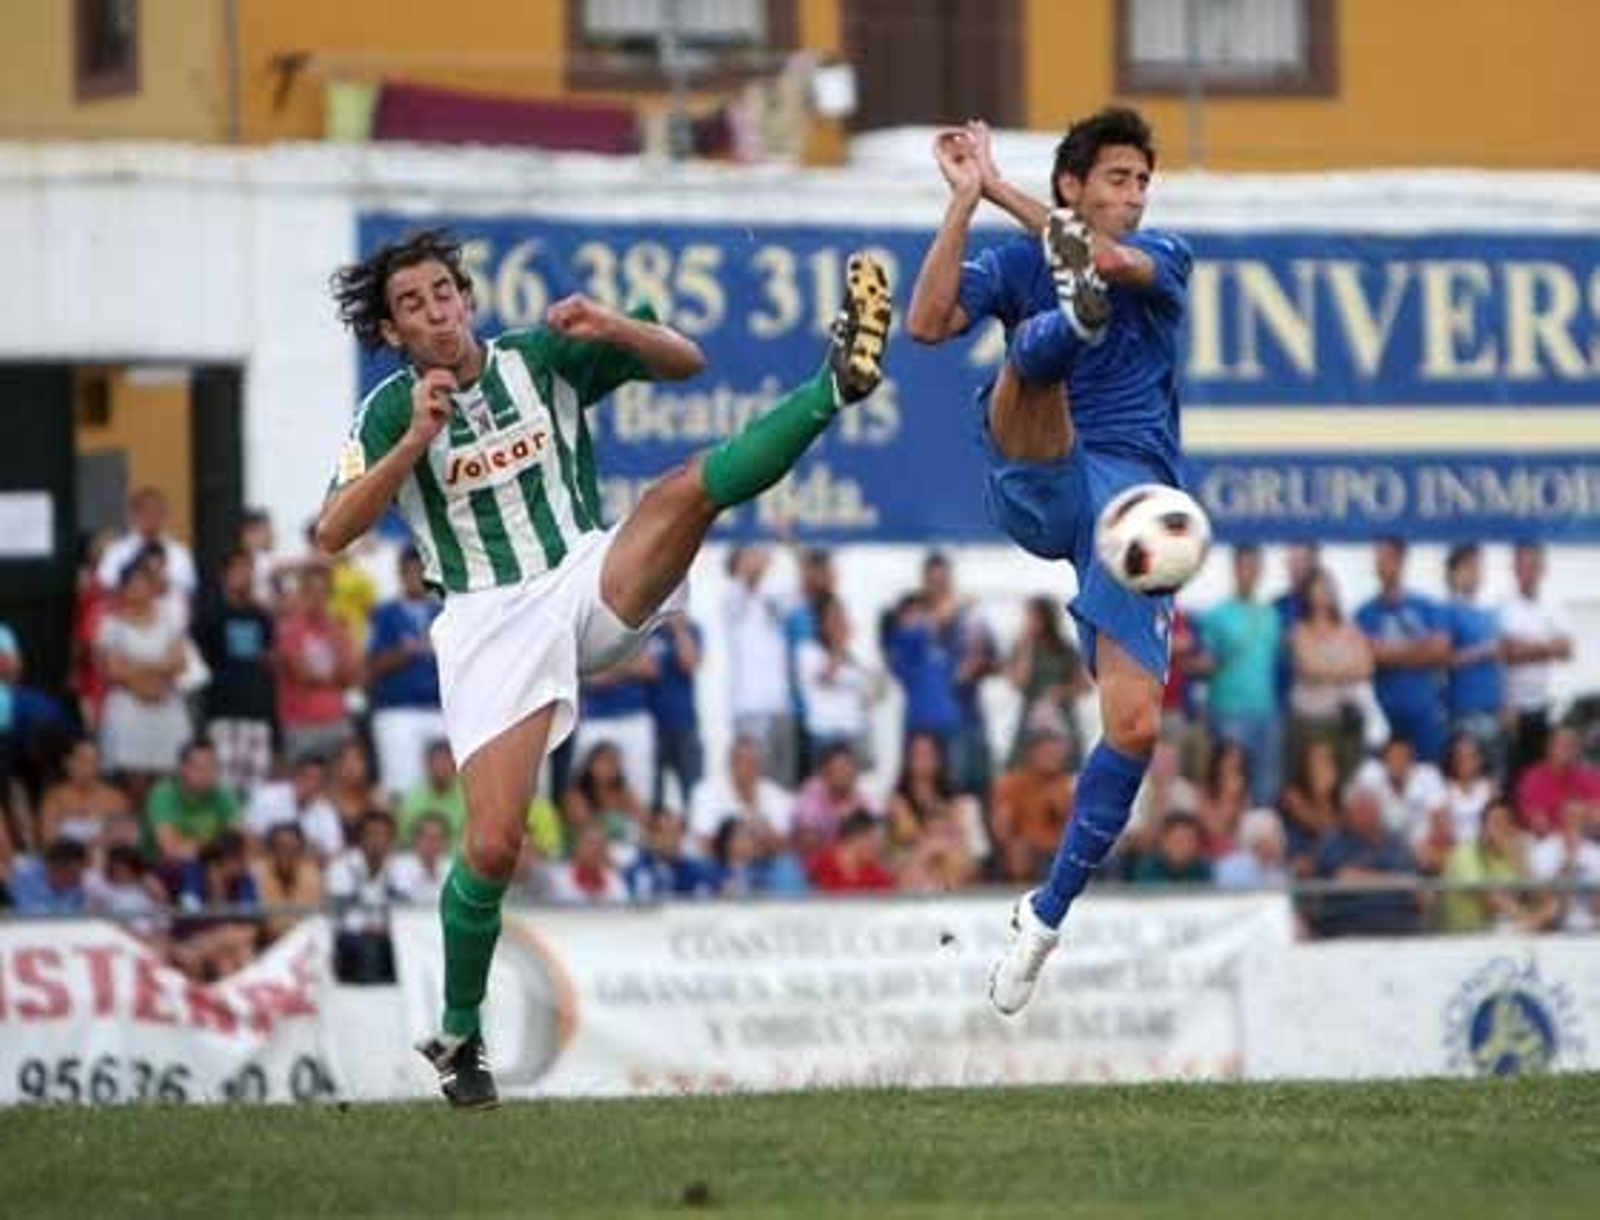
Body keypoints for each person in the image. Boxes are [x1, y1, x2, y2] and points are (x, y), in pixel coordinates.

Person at [316, 226, 890, 1107]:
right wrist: (409, 448)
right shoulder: (393, 410)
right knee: (496, 842)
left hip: (583, 577)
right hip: (486, 625)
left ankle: (831, 383)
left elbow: (686, 361)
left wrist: (613, 323)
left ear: (465, 299)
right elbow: (331, 533)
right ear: (392, 332)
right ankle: (460, 1034)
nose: (434, 314)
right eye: (412, 307)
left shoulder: (538, 355)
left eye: (443, 294)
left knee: (683, 491)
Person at [907, 107, 1192, 1013]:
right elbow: (924, 321)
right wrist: (962, 202)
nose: (1136, 196)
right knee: (1032, 367)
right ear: (1073, 185)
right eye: (1118, 179)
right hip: (1043, 466)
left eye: (1142, 181)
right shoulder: (1021, 257)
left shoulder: (1170, 259)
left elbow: (1108, 258)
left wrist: (995, 185)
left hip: (1131, 506)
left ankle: (1045, 915)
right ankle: (1064, 327)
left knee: (1137, 726)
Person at [1200, 544, 1283, 807]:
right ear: (1234, 569)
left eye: (1254, 567)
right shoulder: (1216, 615)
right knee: (1228, 782)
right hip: (1228, 710)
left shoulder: (1271, 616)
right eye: (1244, 566)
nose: (1249, 572)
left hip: (1266, 711)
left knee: (1265, 785)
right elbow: (1204, 663)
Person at [1355, 538, 1450, 765]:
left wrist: (1388, 653)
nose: (1378, 564)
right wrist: (1419, 650)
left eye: (1385, 557)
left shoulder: (1427, 606)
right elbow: (1368, 655)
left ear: (1401, 561)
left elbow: (1440, 651)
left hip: (1424, 712)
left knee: (1428, 776)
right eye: (1376, 558)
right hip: (1383, 714)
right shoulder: (1365, 612)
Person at [192, 548, 278, 797]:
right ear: (225, 575)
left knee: (257, 788)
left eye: (249, 569)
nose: (245, 575)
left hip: (257, 711)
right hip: (222, 711)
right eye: (239, 569)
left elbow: (268, 661)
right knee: (224, 785)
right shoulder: (208, 615)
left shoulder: (262, 617)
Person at [367, 546, 446, 798]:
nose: (415, 576)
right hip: (398, 710)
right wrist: (407, 651)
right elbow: (373, 665)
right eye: (409, 571)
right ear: (400, 574)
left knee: (447, 785)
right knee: (402, 788)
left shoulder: (442, 612)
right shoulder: (384, 613)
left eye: (420, 571)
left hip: (439, 709)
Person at [1500, 541, 1575, 782]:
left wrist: (1524, 649)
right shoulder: (1503, 607)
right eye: (1522, 565)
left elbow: (1566, 650)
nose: (1527, 571)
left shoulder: (1554, 605)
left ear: (1542, 568)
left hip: (1544, 707)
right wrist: (1546, 647)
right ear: (1514, 569)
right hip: (1513, 710)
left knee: (1540, 777)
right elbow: (1505, 653)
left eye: (1533, 565)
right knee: (1515, 776)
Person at [1442, 544, 1507, 775]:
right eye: (1469, 567)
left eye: (1479, 567)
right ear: (1453, 573)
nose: (1476, 573)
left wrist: (1503, 703)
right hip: (1465, 716)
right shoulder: (1446, 611)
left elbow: (1499, 663)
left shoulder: (1487, 614)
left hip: (1494, 715)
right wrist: (1481, 652)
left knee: (1495, 786)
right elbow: (1442, 660)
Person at [1005, 595, 1088, 768]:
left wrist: (1062, 691)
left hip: (1062, 717)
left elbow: (1084, 686)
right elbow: (1019, 683)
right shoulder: (1021, 647)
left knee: (1067, 765)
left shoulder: (1065, 648)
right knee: (1022, 765)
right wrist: (1027, 646)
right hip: (1030, 717)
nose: (1028, 621)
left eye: (1032, 616)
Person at [95, 487, 198, 625]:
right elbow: (105, 587)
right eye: (147, 511)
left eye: (159, 512)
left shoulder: (179, 552)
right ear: (133, 515)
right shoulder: (116, 551)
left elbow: (188, 591)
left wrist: (162, 582)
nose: (153, 517)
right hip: (128, 627)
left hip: (171, 629)